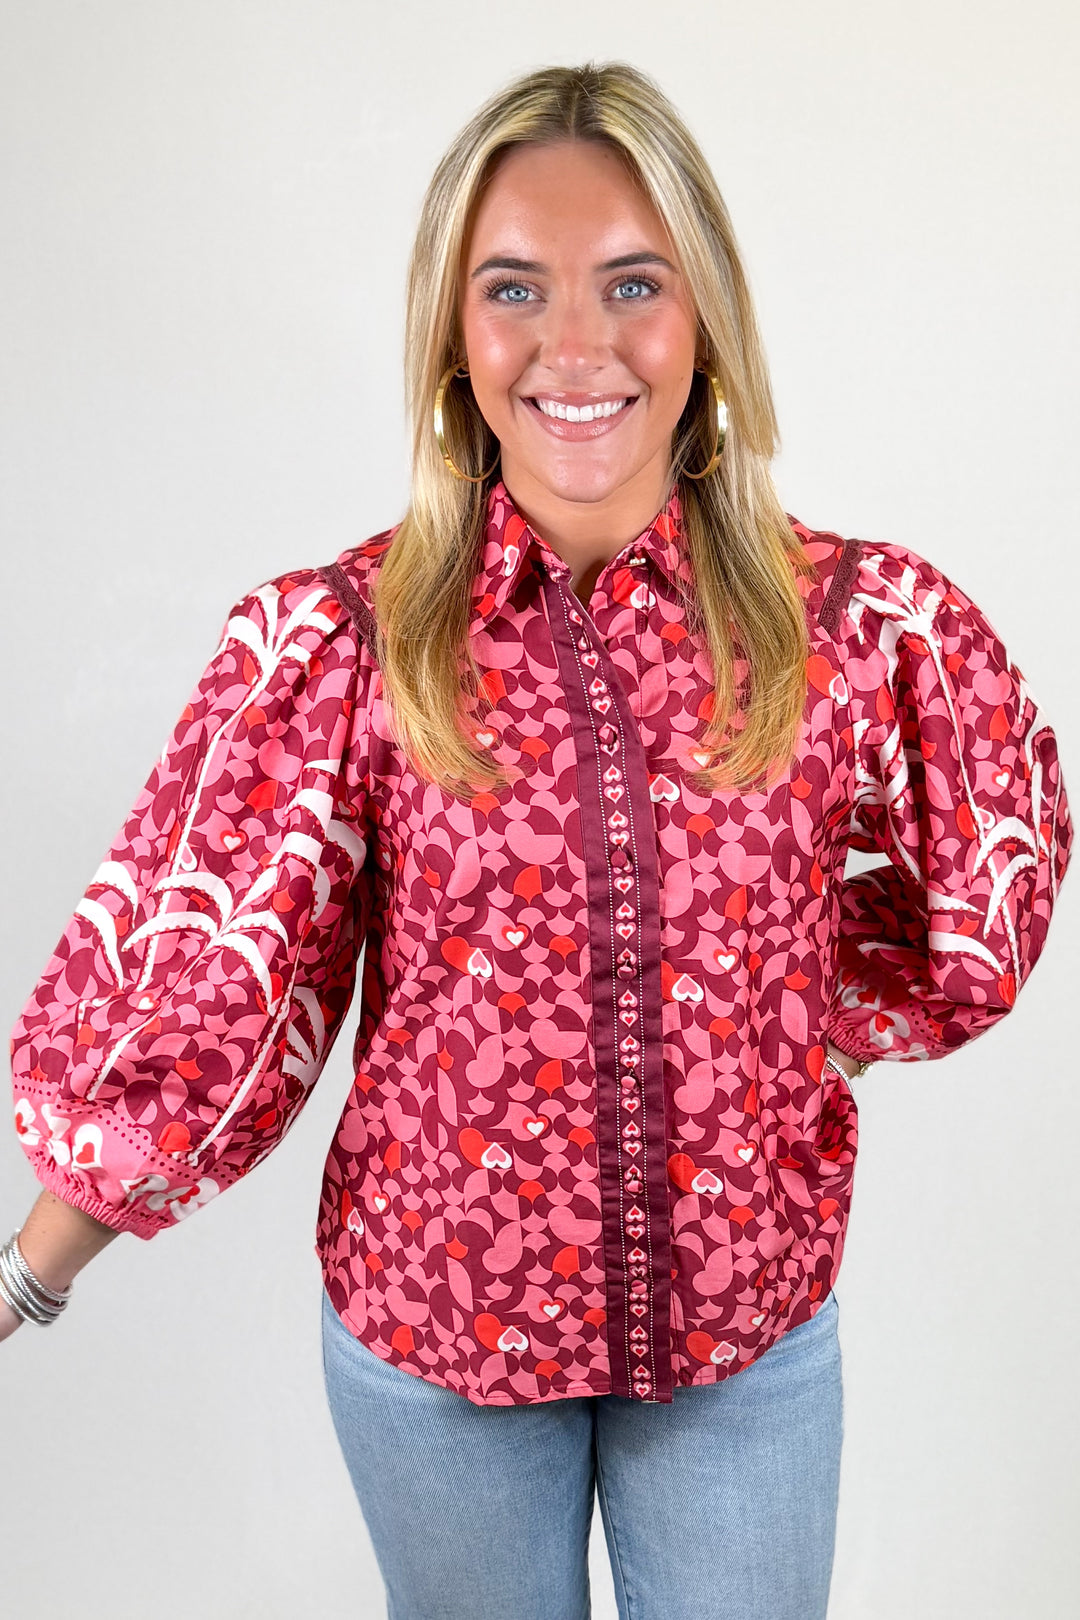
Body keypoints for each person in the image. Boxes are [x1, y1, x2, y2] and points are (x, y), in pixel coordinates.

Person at [4, 58, 1072, 1620]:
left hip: (742, 1354)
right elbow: (217, 996)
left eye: (632, 283)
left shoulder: (857, 630)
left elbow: (992, 885)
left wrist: (793, 1012)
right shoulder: (345, 642)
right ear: (455, 330)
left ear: (705, 314)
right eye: (515, 287)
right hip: (435, 1351)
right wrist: (32, 1271)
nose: (576, 346)